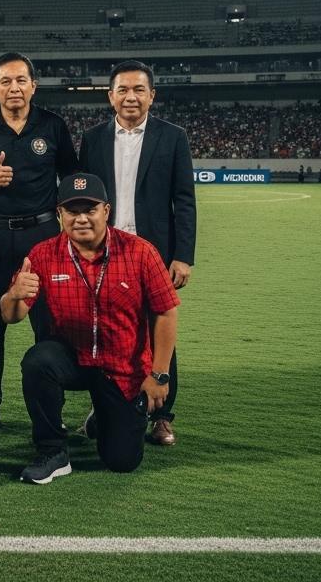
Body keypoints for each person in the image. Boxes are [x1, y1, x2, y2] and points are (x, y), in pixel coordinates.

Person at [0, 173, 179, 483]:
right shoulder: (42, 254)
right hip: (74, 358)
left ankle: (106, 414)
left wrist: (159, 374)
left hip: (122, 367)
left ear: (106, 212)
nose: (81, 218)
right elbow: (10, 315)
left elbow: (165, 313)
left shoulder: (141, 252)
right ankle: (53, 450)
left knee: (122, 461)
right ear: (59, 215)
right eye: (72, 211)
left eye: (90, 209)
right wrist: (12, 295)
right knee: (38, 360)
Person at [77, 60, 196, 447]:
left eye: (139, 90)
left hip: (153, 252)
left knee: (159, 330)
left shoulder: (172, 137)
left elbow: (184, 200)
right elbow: (83, 200)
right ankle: (107, 405)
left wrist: (183, 255)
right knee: (108, 332)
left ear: (152, 95)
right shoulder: (92, 139)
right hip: (103, 250)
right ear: (111, 96)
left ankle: (162, 414)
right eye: (123, 90)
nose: (131, 97)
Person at [0, 52, 76, 434]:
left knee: (48, 323)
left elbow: (73, 180)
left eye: (21, 80)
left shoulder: (53, 126)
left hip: (44, 236)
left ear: (33, 85)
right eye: (6, 81)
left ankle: (49, 408)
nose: (14, 87)